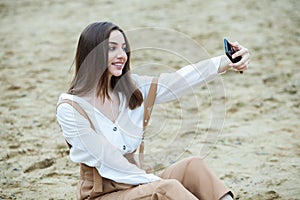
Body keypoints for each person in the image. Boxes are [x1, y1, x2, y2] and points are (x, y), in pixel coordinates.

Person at [56, 21, 250, 200]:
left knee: (194, 166)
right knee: (167, 189)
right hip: (104, 194)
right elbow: (108, 161)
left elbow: (178, 81)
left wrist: (226, 61)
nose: (122, 55)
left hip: (140, 182)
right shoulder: (72, 109)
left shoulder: (132, 90)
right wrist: (153, 181)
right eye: (112, 48)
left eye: (124, 48)